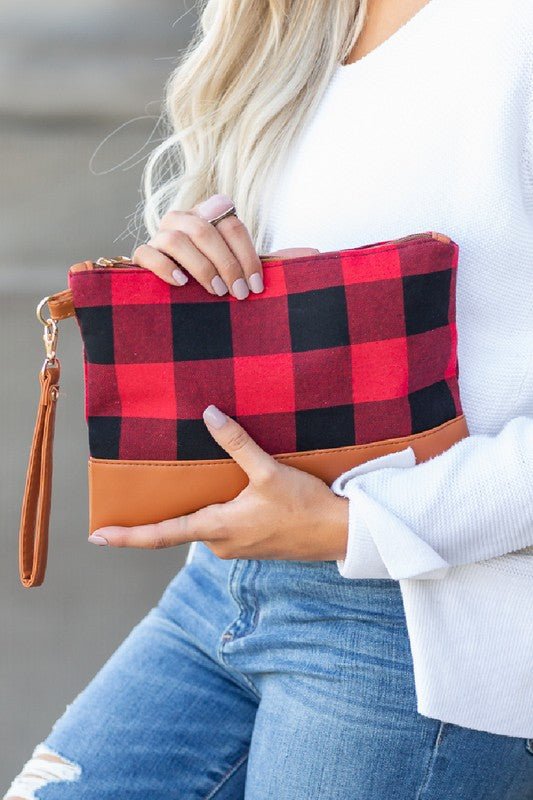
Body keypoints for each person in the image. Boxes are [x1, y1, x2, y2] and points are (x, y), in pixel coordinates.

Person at [4, 0, 533, 797]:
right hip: (224, 586)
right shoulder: (284, 25)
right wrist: (191, 263)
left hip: (420, 627)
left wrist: (363, 525)